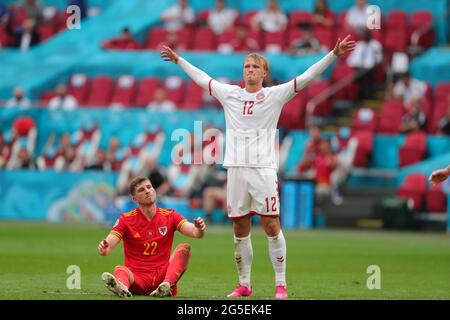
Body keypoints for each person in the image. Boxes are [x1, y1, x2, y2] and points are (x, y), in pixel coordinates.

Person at [160, 34, 355, 298]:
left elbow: (307, 77)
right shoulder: (230, 94)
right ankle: (244, 285)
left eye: (255, 67)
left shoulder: (274, 95)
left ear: (264, 73)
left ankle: (281, 285)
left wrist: (333, 54)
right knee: (240, 229)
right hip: (236, 170)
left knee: (271, 226)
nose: (249, 70)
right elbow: (202, 78)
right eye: (246, 67)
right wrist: (179, 60)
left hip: (263, 170)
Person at [98, 176, 206, 298]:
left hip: (162, 276)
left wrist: (199, 228)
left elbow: (195, 233)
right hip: (136, 278)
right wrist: (104, 247)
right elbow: (108, 245)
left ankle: (166, 285)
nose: (147, 191)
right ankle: (122, 287)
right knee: (120, 270)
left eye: (149, 187)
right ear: (135, 198)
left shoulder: (170, 216)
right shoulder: (126, 219)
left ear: (154, 190)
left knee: (185, 248)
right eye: (141, 190)